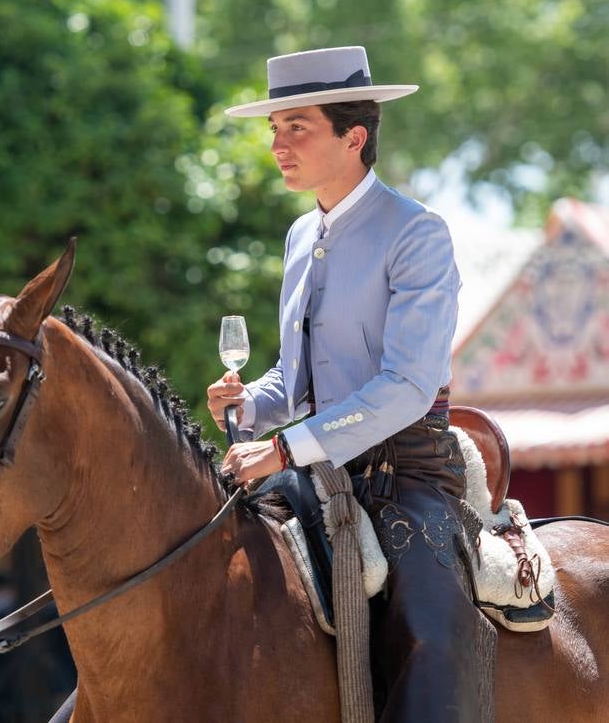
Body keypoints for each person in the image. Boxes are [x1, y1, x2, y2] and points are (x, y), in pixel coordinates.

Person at [207, 46, 492, 722]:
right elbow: (296, 376)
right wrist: (252, 405)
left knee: (425, 632)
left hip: (407, 475)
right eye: (274, 130)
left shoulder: (417, 233)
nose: (278, 144)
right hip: (310, 471)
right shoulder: (299, 236)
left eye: (295, 126)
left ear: (354, 136)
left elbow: (405, 386)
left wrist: (280, 449)